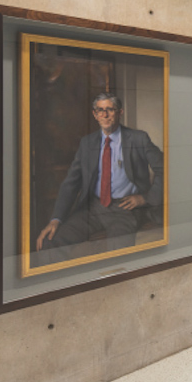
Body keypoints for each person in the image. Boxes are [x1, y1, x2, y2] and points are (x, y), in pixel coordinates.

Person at [36, 92, 165, 262]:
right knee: (50, 242)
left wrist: (145, 198)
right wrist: (56, 219)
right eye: (100, 110)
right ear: (94, 114)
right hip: (93, 208)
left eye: (110, 110)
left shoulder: (138, 139)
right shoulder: (87, 143)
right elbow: (71, 184)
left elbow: (166, 168)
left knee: (118, 257)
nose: (104, 115)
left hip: (125, 210)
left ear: (120, 112)